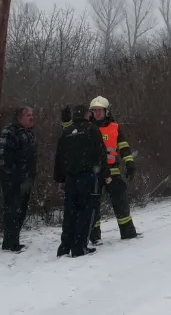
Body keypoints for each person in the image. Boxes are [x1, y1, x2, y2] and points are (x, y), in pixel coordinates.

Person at [54, 104, 110, 258]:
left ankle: (65, 246)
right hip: (88, 177)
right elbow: (101, 152)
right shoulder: (91, 129)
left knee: (70, 213)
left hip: (70, 178)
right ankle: (79, 247)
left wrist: (60, 179)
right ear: (87, 115)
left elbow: (59, 158)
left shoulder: (66, 133)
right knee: (86, 212)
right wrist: (106, 173)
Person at [88, 96, 139, 243]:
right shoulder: (88, 128)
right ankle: (94, 237)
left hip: (112, 171)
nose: (97, 113)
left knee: (121, 203)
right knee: (93, 205)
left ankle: (128, 233)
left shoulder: (115, 127)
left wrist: (130, 163)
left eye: (100, 110)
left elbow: (123, 147)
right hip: (94, 173)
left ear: (106, 111)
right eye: (94, 110)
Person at [0, 106, 37, 253]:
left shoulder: (28, 133)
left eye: (32, 115)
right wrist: (12, 174)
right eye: (28, 115)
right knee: (12, 210)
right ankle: (10, 242)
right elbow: (1, 156)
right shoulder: (9, 132)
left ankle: (14, 240)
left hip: (26, 179)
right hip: (12, 180)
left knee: (21, 210)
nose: (31, 117)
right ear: (19, 118)